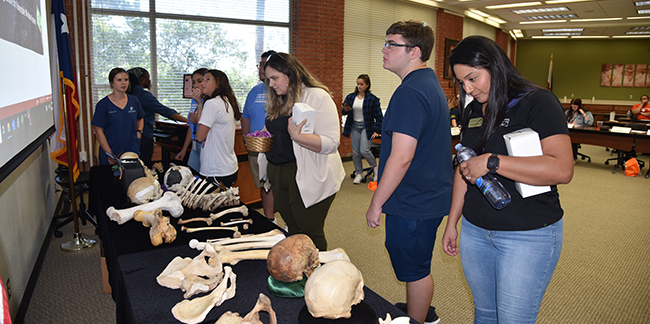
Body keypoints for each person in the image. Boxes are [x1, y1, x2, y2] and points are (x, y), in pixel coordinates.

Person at [441, 35, 574, 324]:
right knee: (485, 315)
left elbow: (562, 169)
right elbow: (464, 168)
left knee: (513, 319)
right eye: (461, 82)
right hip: (476, 230)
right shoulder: (473, 110)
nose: (468, 88)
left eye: (473, 78)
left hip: (527, 234)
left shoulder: (537, 102)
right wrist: (452, 222)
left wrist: (493, 162)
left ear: (495, 67)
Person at [365, 20, 452, 324]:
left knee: (415, 269)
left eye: (392, 44)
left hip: (415, 200)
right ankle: (422, 310)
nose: (384, 49)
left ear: (414, 51)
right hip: (425, 195)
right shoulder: (427, 84)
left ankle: (420, 319)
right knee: (415, 263)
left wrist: (376, 202)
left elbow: (401, 158)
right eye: (385, 42)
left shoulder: (410, 92)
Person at [263, 52, 345, 251]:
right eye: (268, 79)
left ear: (290, 73)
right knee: (293, 227)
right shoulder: (280, 98)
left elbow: (332, 142)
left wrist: (298, 137)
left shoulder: (317, 96)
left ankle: (319, 274)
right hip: (279, 171)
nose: (271, 84)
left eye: (275, 78)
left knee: (310, 230)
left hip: (307, 172)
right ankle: (299, 270)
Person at [127, 67, 187, 166]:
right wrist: (187, 120)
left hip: (129, 137)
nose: (150, 81)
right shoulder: (143, 95)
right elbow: (165, 111)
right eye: (148, 77)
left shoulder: (127, 94)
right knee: (144, 166)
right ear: (142, 79)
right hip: (144, 137)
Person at [242, 50, 276, 221]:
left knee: (280, 186)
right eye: (260, 64)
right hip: (257, 148)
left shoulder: (281, 90)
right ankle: (270, 219)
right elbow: (245, 116)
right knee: (265, 185)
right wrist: (246, 139)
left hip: (277, 149)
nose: (261, 68)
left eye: (265, 64)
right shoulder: (254, 91)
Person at [195, 69, 240, 187]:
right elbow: (203, 124)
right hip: (228, 167)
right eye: (202, 80)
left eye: (207, 80)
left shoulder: (212, 104)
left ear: (218, 83)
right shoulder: (225, 101)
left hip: (216, 169)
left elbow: (200, 136)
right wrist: (199, 103)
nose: (202, 83)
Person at [92, 67, 145, 165]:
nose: (123, 83)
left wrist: (139, 132)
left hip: (131, 150)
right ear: (112, 83)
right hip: (112, 151)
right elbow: (99, 131)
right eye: (119, 80)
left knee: (132, 178)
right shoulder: (103, 105)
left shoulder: (134, 101)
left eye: (126, 80)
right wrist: (109, 154)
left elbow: (140, 118)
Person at [342, 74, 383, 184]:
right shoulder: (351, 97)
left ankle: (375, 168)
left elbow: (379, 117)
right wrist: (345, 109)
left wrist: (377, 130)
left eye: (361, 84)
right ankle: (359, 174)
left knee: (364, 150)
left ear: (367, 85)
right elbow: (343, 111)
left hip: (367, 127)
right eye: (358, 84)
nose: (359, 86)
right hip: (354, 126)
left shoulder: (372, 99)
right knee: (356, 152)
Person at [175, 68, 208, 171]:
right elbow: (191, 126)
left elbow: (207, 125)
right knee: (191, 176)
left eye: (199, 81)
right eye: (193, 82)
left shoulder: (209, 101)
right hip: (194, 145)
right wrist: (184, 149)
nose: (195, 85)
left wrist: (197, 120)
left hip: (205, 145)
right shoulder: (195, 100)